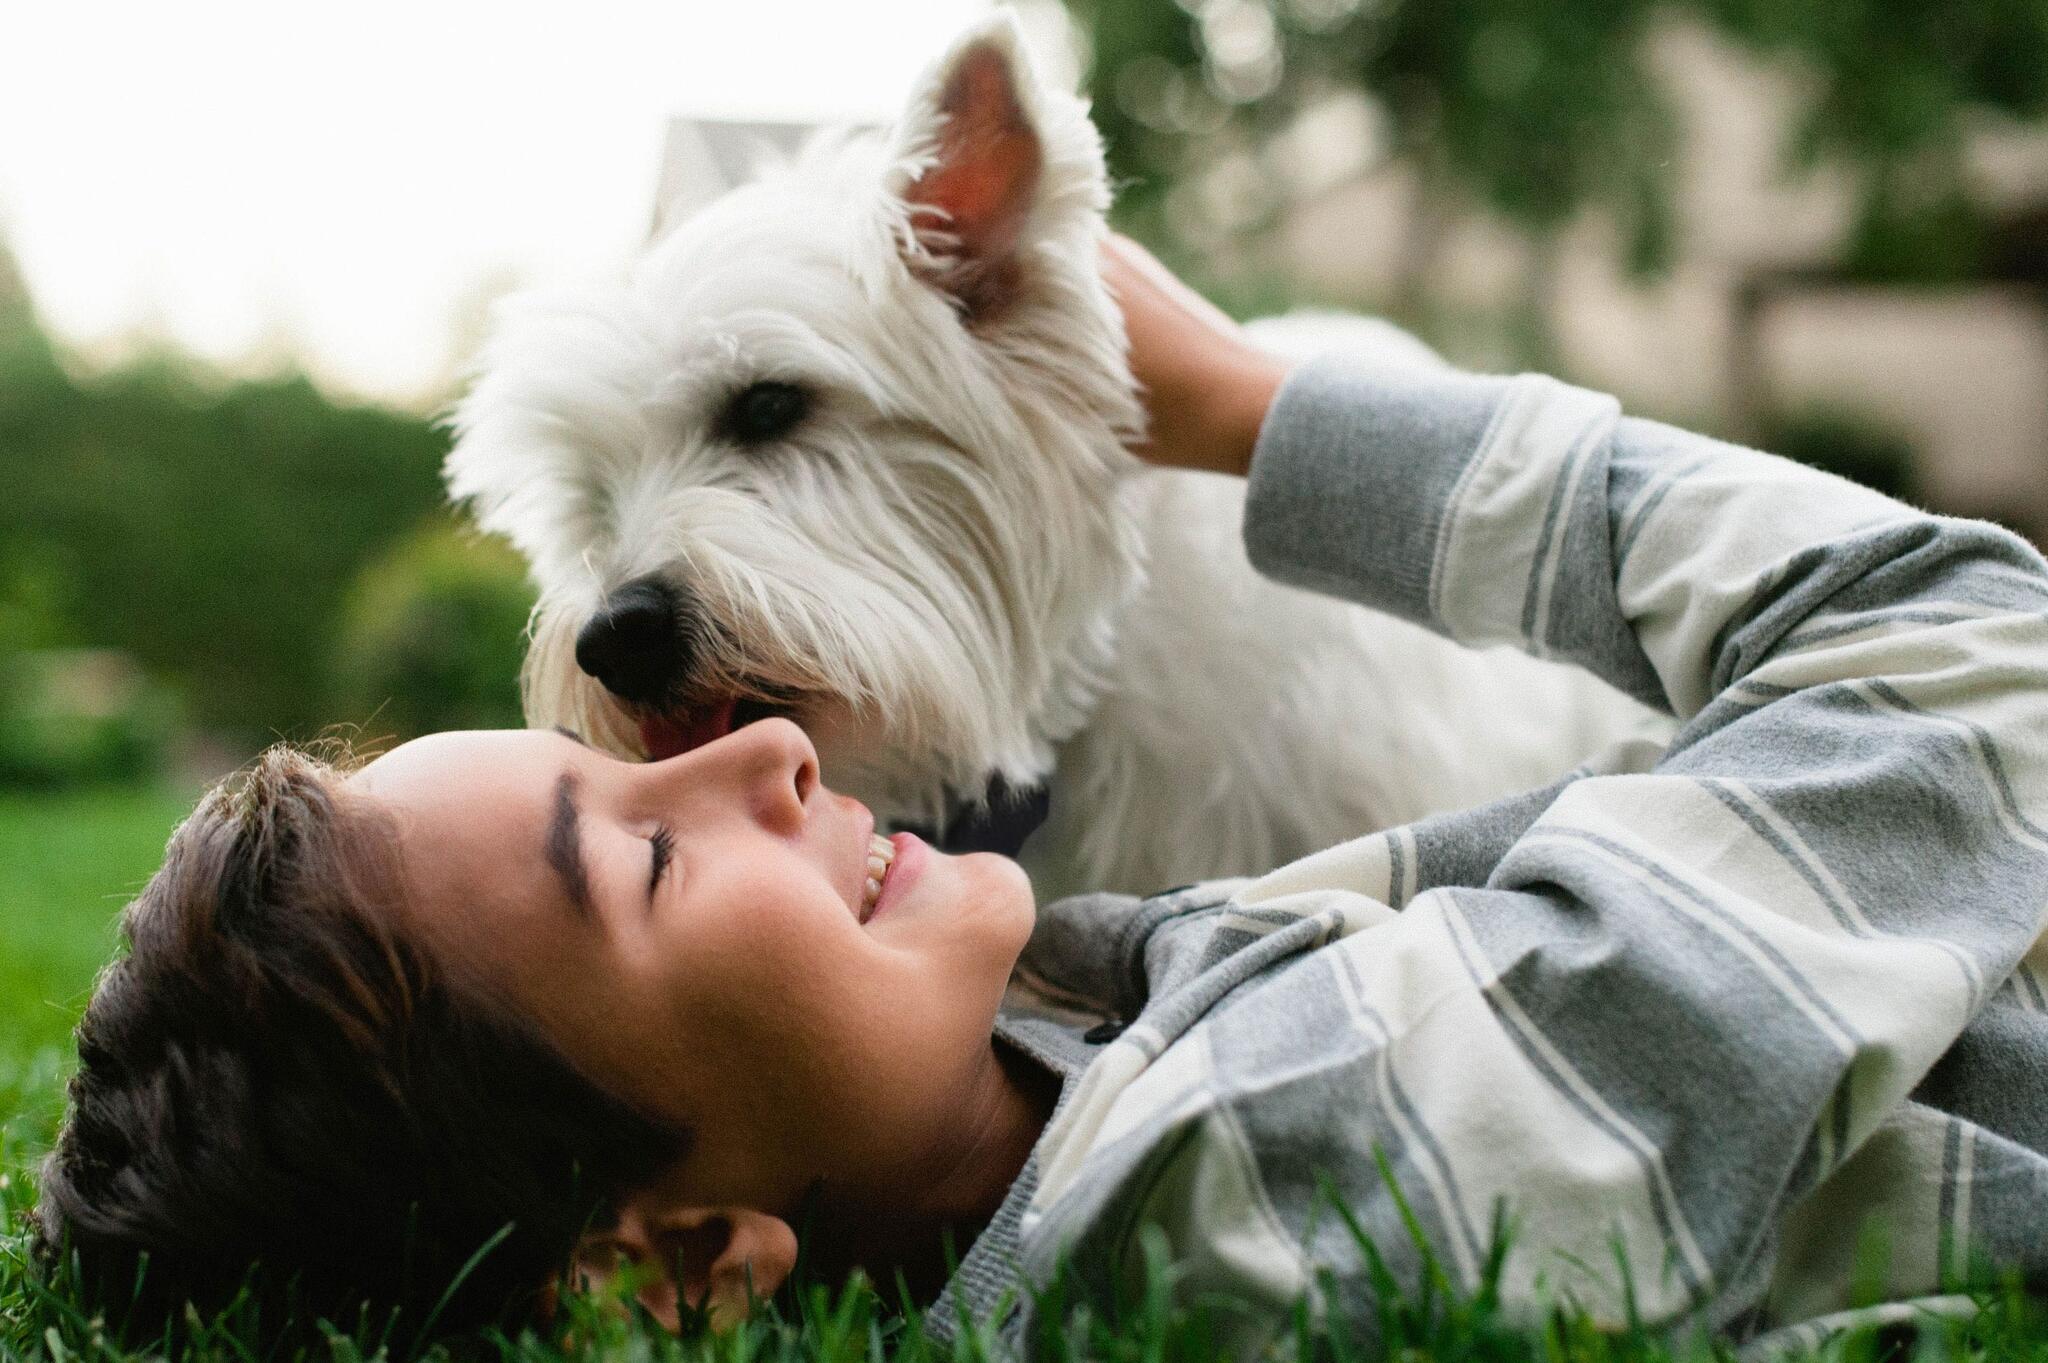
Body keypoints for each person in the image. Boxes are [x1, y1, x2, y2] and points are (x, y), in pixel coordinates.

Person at [33, 236, 2048, 1357]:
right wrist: (1265, 412)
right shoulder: (1290, 1162)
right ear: (670, 1267)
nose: (757, 744)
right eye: (640, 853)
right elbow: (1963, 642)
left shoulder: (1086, 1111)